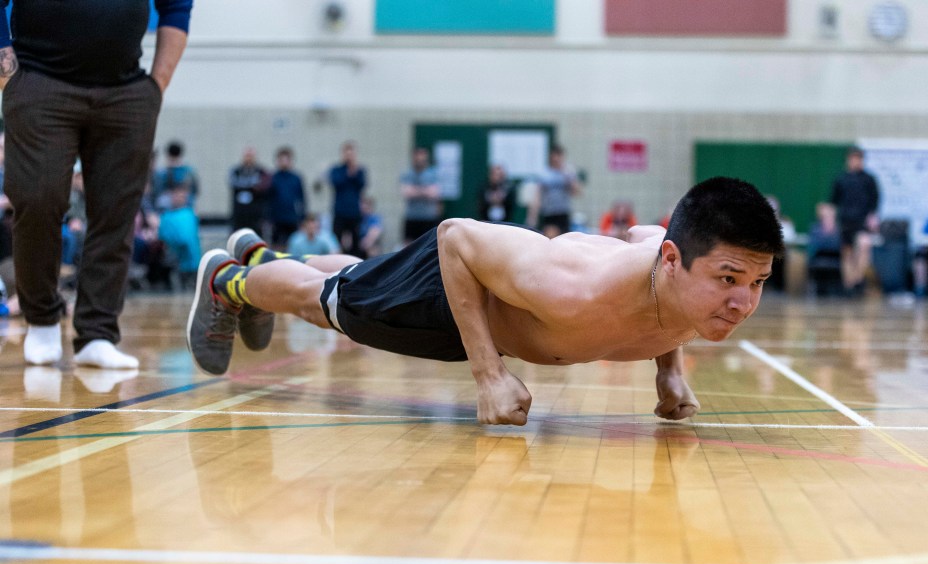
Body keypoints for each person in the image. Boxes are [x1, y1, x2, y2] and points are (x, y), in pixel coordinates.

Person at [186, 177, 784, 426]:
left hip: (499, 310)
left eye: (757, 283)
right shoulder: (570, 287)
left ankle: (261, 257)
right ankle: (228, 281)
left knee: (362, 275)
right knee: (329, 304)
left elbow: (647, 239)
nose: (742, 302)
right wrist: (489, 376)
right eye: (729, 278)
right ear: (677, 262)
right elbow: (456, 237)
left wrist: (670, 372)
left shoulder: (681, 280)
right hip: (454, 294)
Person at [0, 0, 192, 368]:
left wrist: (157, 85)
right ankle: (41, 320)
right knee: (37, 199)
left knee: (116, 213)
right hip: (40, 82)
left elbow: (178, 6)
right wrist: (8, 74)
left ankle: (97, 333)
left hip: (127, 91)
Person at [829, 146, 880, 297]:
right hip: (845, 221)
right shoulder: (841, 179)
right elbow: (833, 202)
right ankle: (849, 285)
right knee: (847, 253)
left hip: (862, 221)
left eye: (859, 158)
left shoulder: (869, 179)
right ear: (848, 159)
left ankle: (858, 279)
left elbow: (875, 201)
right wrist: (831, 219)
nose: (856, 161)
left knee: (864, 246)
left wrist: (872, 217)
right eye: (853, 158)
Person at [526, 144, 582, 239]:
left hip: (563, 212)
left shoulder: (568, 172)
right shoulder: (544, 174)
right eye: (554, 156)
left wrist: (569, 177)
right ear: (551, 157)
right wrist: (532, 216)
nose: (556, 159)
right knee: (550, 238)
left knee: (564, 240)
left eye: (559, 156)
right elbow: (537, 196)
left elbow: (577, 192)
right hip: (550, 212)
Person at [328, 141, 367, 256]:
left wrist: (354, 171)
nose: (349, 156)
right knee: (336, 242)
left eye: (352, 153)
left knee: (356, 243)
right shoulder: (336, 170)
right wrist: (348, 172)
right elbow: (336, 183)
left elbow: (361, 185)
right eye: (347, 153)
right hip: (340, 211)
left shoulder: (360, 171)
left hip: (354, 212)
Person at [268, 146, 307, 250]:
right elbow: (268, 200)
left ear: (291, 161)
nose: (284, 162)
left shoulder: (296, 178)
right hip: (276, 219)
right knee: (276, 246)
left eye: (286, 159)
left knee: (293, 245)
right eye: (281, 160)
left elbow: (302, 199)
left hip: (292, 219)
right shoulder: (272, 178)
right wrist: (268, 218)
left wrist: (302, 218)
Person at [400, 147, 441, 244]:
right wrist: (425, 190)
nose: (420, 161)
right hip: (412, 217)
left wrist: (415, 190)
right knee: (409, 246)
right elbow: (406, 192)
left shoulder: (433, 173)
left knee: (429, 244)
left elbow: (434, 193)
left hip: (428, 217)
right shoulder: (407, 174)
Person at [228, 146, 270, 236]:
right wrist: (252, 186)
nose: (249, 158)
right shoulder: (236, 171)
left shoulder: (261, 172)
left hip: (256, 216)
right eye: (247, 156)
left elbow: (263, 186)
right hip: (239, 215)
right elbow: (233, 183)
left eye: (251, 156)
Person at [153, 140, 199, 212]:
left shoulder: (162, 172)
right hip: (183, 201)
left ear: (168, 155)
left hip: (170, 201)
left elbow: (157, 189)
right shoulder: (189, 171)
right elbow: (195, 190)